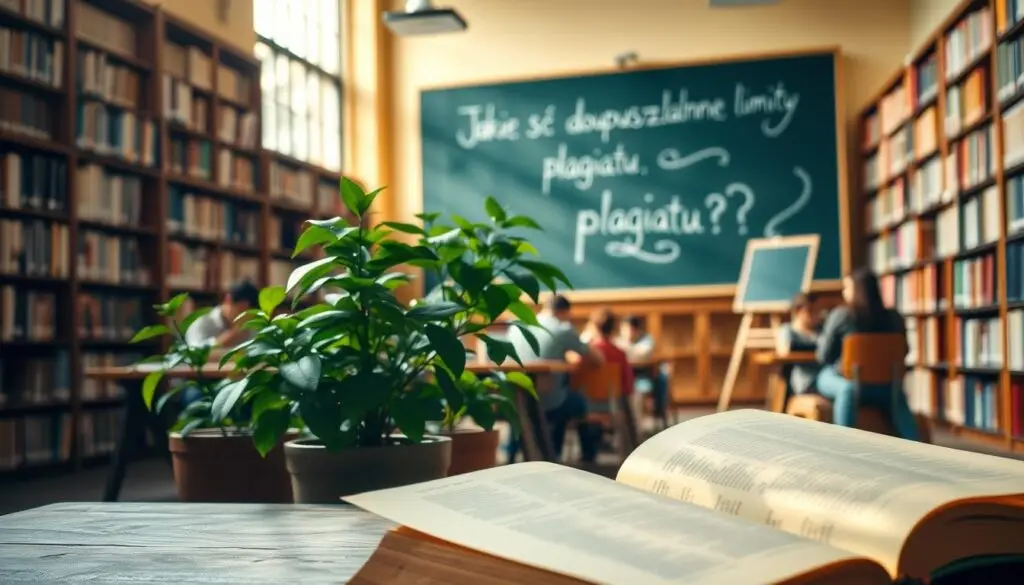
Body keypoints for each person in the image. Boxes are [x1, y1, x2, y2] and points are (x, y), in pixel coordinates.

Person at [815, 268, 920, 440]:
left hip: (854, 389)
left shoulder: (842, 315)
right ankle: (917, 444)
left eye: (847, 288)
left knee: (832, 379)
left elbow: (824, 356)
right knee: (898, 394)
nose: (844, 292)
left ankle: (846, 442)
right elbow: (904, 351)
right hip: (888, 389)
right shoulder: (894, 317)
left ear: (856, 290)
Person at [507, 294, 604, 462]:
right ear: (564, 312)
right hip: (549, 401)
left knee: (530, 405)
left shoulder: (516, 327)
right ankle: (585, 457)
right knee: (577, 403)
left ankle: (512, 456)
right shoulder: (562, 329)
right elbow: (598, 360)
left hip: (514, 398)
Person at [618, 315, 668, 426]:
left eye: (630, 329)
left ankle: (639, 426)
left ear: (636, 329)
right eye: (624, 329)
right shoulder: (618, 341)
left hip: (642, 376)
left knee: (639, 392)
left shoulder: (646, 340)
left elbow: (643, 354)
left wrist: (626, 348)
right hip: (623, 377)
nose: (627, 332)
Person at [184, 280, 260, 347]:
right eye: (241, 310)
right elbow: (196, 354)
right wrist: (234, 334)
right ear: (228, 300)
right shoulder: (202, 325)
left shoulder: (253, 329)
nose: (243, 316)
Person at [775, 292, 822, 397]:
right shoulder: (788, 330)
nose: (815, 315)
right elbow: (784, 351)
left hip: (823, 376)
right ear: (797, 311)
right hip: (804, 380)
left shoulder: (821, 331)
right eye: (810, 311)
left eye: (817, 311)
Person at [587, 309, 634, 398]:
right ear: (614, 328)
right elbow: (628, 387)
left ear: (594, 327)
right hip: (613, 404)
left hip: (588, 404)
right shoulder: (620, 354)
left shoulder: (586, 353)